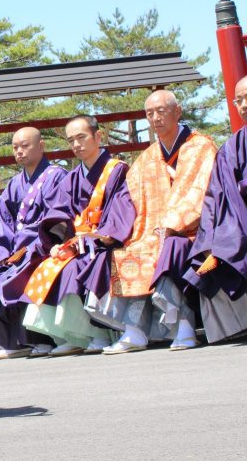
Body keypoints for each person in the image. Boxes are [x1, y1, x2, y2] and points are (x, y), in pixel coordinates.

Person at [103, 91, 216, 353]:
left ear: (177, 112)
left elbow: (202, 191)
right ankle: (134, 330)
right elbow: (126, 197)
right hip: (155, 231)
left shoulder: (201, 147)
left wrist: (173, 224)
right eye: (149, 113)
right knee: (132, 250)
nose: (155, 118)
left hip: (194, 230)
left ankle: (183, 325)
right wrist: (110, 229)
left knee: (168, 246)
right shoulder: (147, 158)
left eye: (161, 111)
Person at [23, 115, 135, 355]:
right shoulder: (72, 178)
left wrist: (100, 236)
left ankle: (98, 333)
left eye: (81, 137)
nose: (76, 145)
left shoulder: (116, 171)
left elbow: (121, 208)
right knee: (51, 264)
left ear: (98, 136)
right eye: (71, 140)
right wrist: (56, 242)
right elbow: (57, 213)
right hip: (79, 243)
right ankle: (71, 334)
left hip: (104, 242)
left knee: (75, 266)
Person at [0, 128, 65, 359]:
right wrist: (2, 253)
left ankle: (40, 339)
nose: (19, 151)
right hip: (15, 249)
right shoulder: (14, 184)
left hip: (41, 246)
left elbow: (57, 216)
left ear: (41, 146)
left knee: (21, 273)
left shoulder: (56, 176)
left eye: (25, 145)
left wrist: (32, 245)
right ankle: (11, 341)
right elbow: (1, 223)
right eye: (15, 147)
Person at [184, 76, 247, 342]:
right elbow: (215, 195)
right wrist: (208, 238)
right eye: (239, 100)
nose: (243, 105)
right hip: (240, 221)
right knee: (212, 254)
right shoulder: (231, 147)